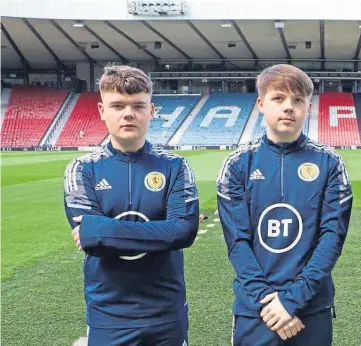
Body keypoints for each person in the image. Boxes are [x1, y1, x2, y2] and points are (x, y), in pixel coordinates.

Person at [216, 64, 353, 346]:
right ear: (261, 104)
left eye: (298, 100)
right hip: (257, 311)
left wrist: (292, 300)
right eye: (279, 98)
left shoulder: (330, 163)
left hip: (311, 308)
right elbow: (237, 243)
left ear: (308, 107)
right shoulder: (237, 165)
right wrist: (269, 304)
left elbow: (331, 239)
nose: (289, 107)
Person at [64, 64, 199, 346]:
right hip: (109, 313)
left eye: (138, 105)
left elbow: (184, 231)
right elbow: (92, 241)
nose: (128, 113)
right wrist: (164, 233)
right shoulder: (82, 169)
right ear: (102, 111)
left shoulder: (175, 166)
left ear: (151, 111)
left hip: (165, 311)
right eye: (118, 105)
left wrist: (101, 231)